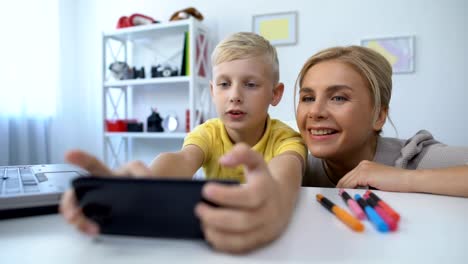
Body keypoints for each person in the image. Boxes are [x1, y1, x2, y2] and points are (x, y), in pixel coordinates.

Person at [60, 32, 307, 253]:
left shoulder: (287, 138)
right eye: (224, 84)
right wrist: (138, 186)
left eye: (250, 84)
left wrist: (276, 203)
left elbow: (285, 176)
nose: (234, 96)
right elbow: (182, 159)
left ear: (275, 94)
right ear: (212, 91)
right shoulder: (208, 132)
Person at [294, 45, 468, 197]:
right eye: (308, 98)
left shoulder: (412, 157)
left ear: (378, 116)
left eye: (338, 98)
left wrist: (405, 178)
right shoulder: (295, 165)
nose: (315, 112)